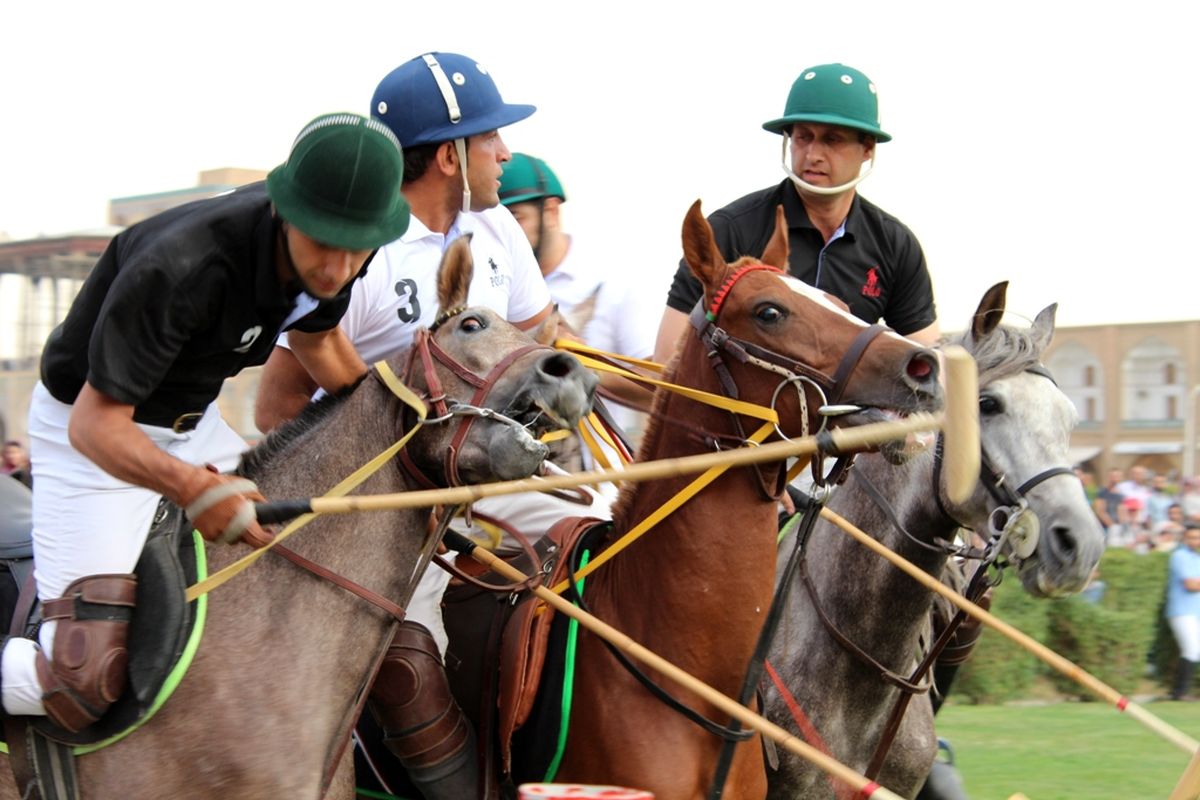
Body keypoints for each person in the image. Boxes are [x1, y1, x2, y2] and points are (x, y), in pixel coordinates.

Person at [0, 112, 410, 732]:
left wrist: (406, 429)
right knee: (81, 681)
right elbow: (95, 425)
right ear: (284, 209)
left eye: (356, 245)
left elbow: (319, 344)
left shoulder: (343, 255)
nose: (338, 266)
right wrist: (193, 488)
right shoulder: (183, 266)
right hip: (92, 435)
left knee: (319, 557)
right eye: (323, 239)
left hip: (194, 426)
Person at [253, 53, 593, 800]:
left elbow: (544, 349)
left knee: (610, 541)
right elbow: (276, 412)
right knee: (411, 665)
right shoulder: (363, 252)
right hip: (382, 503)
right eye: (490, 138)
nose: (506, 153)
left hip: (500, 469)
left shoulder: (498, 226)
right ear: (448, 155)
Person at [654, 62, 939, 367]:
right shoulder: (730, 230)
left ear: (867, 148)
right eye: (803, 137)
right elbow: (668, 362)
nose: (813, 154)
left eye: (833, 139)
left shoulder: (896, 244)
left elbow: (927, 363)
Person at [497, 152, 656, 439]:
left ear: (552, 211)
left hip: (597, 479)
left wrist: (579, 369)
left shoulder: (612, 281)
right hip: (506, 479)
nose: (504, 233)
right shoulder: (491, 290)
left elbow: (657, 388)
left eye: (515, 218)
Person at [1166, 527, 1200, 700]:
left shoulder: (1196, 558)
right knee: (1191, 650)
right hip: (1182, 611)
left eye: (1198, 538)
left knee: (1194, 651)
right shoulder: (1179, 556)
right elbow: (1191, 585)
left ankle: (1181, 691)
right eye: (1192, 537)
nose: (1195, 541)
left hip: (1195, 612)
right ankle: (1179, 692)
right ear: (1185, 539)